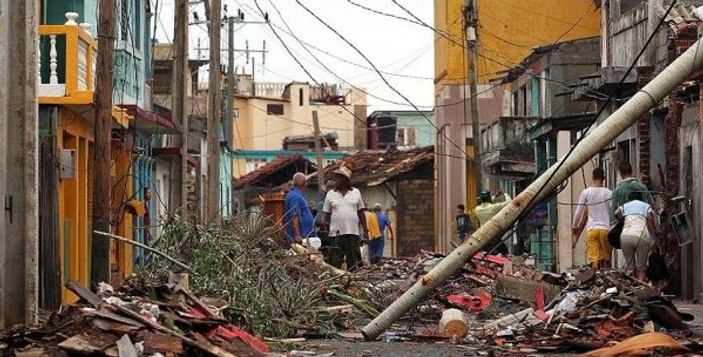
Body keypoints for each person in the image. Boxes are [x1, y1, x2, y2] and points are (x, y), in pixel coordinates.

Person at [322, 166, 369, 271]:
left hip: (352, 234)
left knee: (353, 263)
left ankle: (352, 284)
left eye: (338, 178)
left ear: (344, 180)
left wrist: (366, 230)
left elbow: (361, 212)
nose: (335, 181)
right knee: (335, 263)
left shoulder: (356, 192)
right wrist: (326, 224)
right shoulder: (330, 194)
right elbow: (325, 214)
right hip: (336, 235)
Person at [572, 167, 613, 269]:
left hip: (592, 230)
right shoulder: (609, 193)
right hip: (605, 230)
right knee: (607, 260)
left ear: (592, 177)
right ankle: (608, 281)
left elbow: (578, 212)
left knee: (594, 261)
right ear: (604, 179)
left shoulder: (586, 192)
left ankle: (595, 280)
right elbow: (613, 212)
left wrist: (574, 227)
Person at [615, 191, 657, 282]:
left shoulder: (625, 205)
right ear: (641, 198)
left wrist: (621, 220)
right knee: (642, 267)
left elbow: (616, 212)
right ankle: (641, 287)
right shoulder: (646, 206)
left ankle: (633, 287)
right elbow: (650, 221)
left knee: (631, 267)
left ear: (630, 199)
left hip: (625, 236)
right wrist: (653, 237)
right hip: (641, 237)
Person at [474, 189, 511, 254]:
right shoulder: (494, 207)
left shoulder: (477, 209)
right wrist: (505, 193)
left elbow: (487, 203)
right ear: (488, 198)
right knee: (504, 252)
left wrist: (495, 196)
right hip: (494, 235)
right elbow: (509, 202)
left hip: (483, 236)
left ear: (481, 199)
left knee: (487, 253)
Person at [284, 172, 315, 246]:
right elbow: (294, 216)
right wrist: (297, 235)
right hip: (300, 237)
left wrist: (308, 207)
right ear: (304, 183)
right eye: (306, 181)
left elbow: (299, 212)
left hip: (305, 235)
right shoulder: (295, 196)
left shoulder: (297, 195)